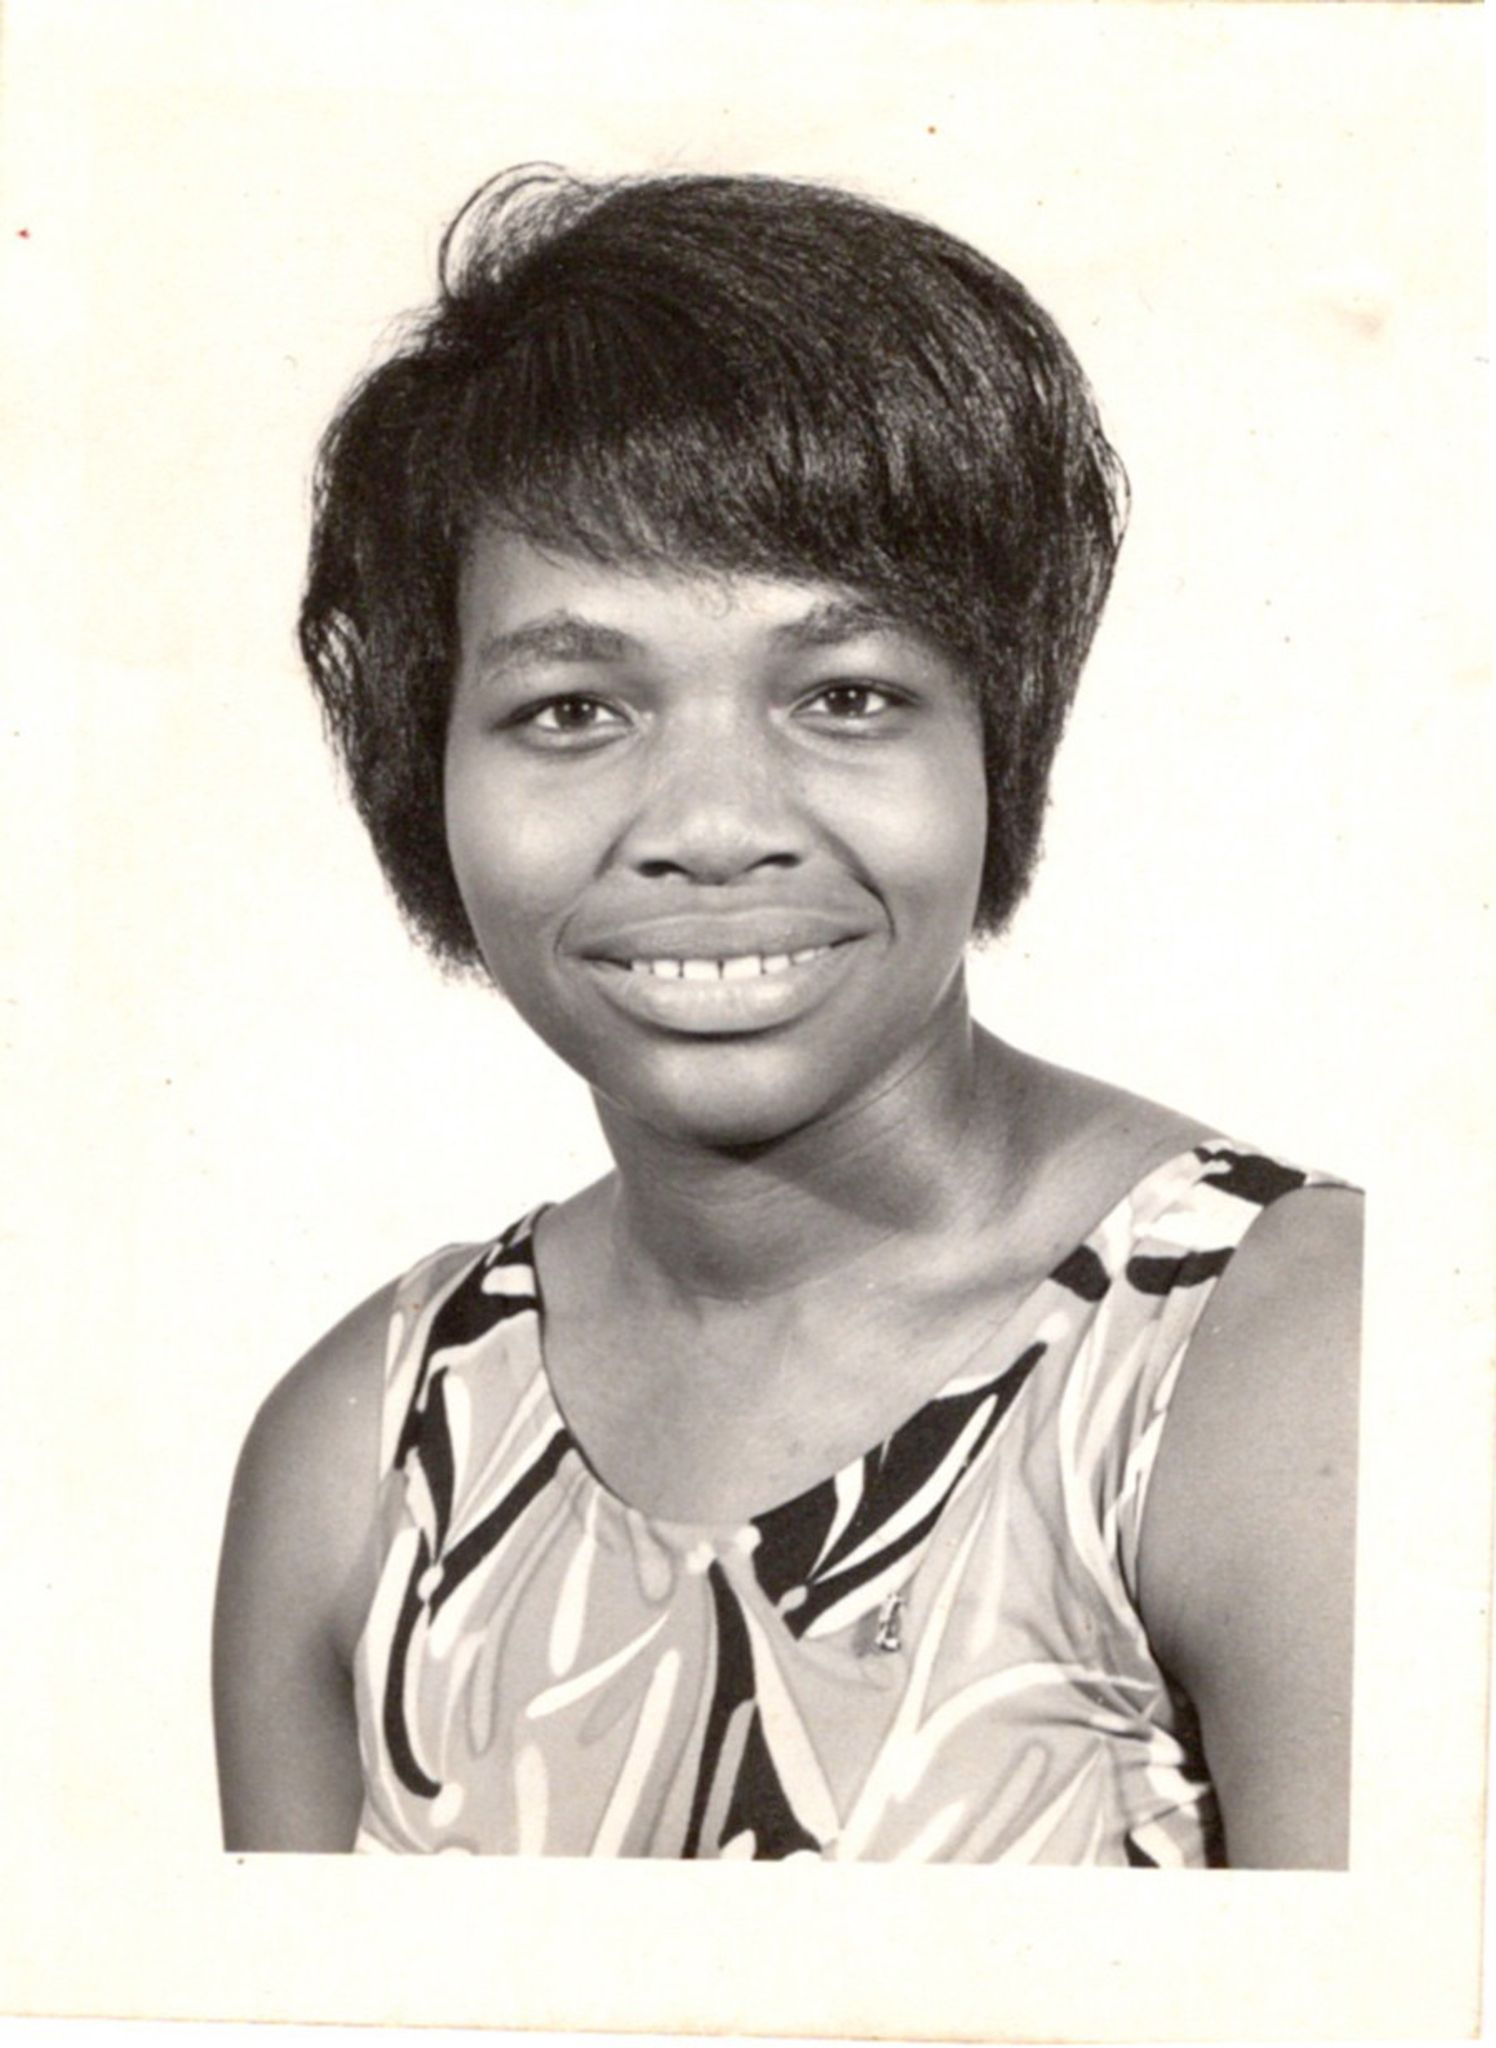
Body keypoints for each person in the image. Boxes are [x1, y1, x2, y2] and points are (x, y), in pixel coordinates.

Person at [212, 165, 1360, 1865]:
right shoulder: (364, 1456)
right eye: (572, 707)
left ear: (1000, 741)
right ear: (423, 771)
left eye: (846, 694)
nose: (711, 822)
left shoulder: (1285, 1357)